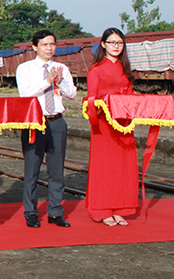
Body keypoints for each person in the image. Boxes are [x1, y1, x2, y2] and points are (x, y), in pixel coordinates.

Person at [16, 29, 76, 229]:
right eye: (44, 44)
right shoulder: (25, 68)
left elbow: (72, 94)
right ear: (35, 47)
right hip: (35, 122)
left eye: (52, 44)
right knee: (32, 169)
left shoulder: (62, 67)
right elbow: (25, 94)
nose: (49, 48)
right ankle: (31, 212)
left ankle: (56, 211)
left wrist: (59, 82)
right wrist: (47, 82)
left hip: (57, 121)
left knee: (56, 169)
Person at [86, 27, 137, 226]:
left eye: (120, 43)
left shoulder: (125, 69)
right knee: (105, 167)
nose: (116, 46)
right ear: (104, 45)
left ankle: (120, 208)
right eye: (112, 43)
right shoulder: (96, 70)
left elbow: (130, 95)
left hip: (124, 124)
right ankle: (102, 209)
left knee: (124, 167)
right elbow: (91, 100)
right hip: (104, 126)